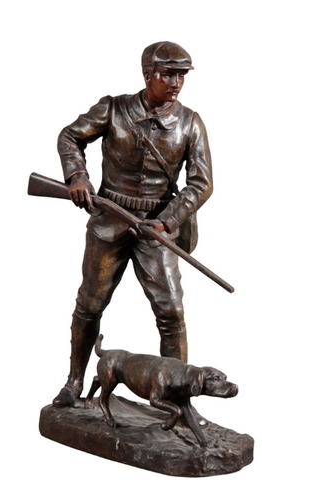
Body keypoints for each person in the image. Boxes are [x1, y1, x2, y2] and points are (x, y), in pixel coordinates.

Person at [53, 41, 213, 407]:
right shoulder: (114, 109)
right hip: (109, 220)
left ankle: (177, 400)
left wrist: (168, 221)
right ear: (147, 74)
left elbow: (201, 183)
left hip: (157, 229)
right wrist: (77, 176)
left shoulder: (190, 123)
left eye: (181, 75)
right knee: (89, 304)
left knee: (171, 312)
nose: (176, 83)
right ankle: (74, 382)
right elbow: (70, 136)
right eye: (168, 74)